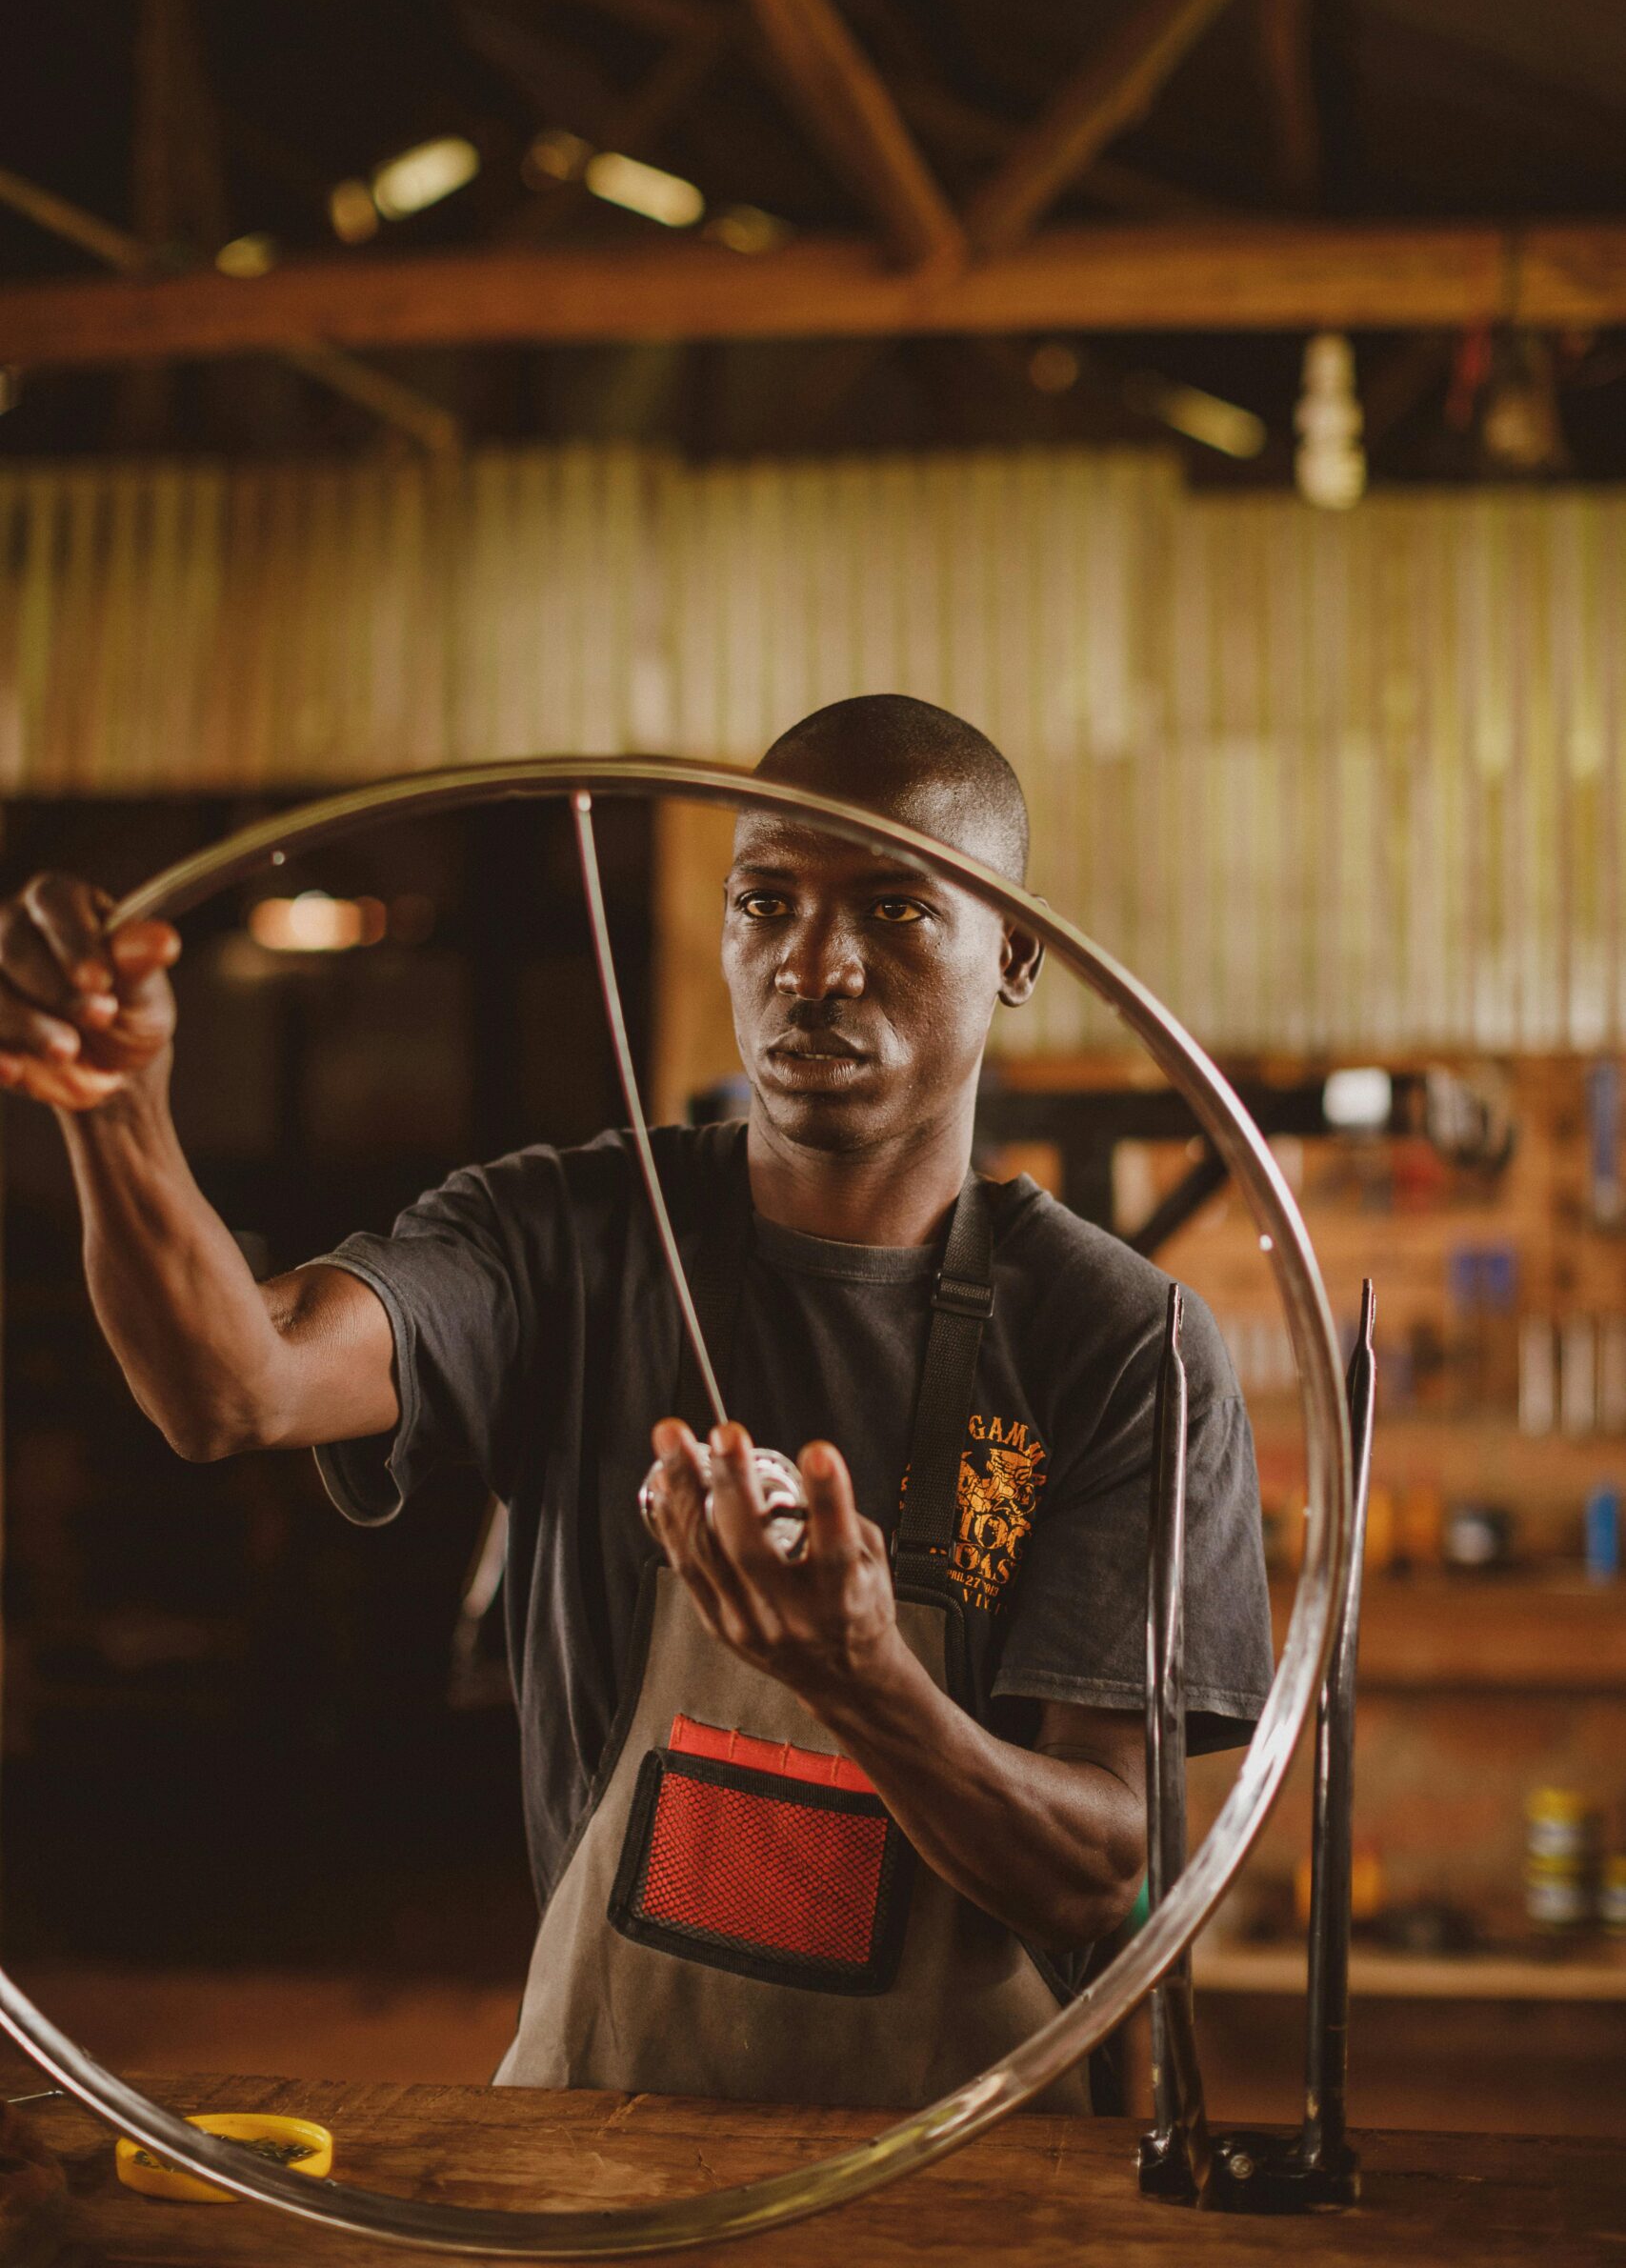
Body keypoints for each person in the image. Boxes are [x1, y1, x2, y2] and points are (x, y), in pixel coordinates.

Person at [0, 695, 1272, 2113]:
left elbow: (1104, 1867)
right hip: (610, 2154)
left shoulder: (1124, 1347)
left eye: (896, 911)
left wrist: (859, 1677)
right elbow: (231, 1384)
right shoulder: (564, 1237)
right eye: (766, 901)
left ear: (1017, 953)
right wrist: (113, 1111)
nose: (816, 965)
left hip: (973, 2178)